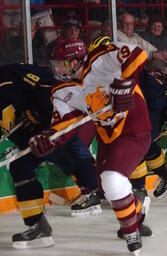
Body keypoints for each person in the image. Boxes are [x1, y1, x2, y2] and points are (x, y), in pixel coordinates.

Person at [28, 36, 152, 255]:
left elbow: (136, 53)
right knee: (107, 189)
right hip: (108, 138)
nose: (57, 68)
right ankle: (138, 212)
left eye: (60, 62)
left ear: (74, 59)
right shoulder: (61, 90)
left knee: (112, 180)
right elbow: (64, 125)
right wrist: (49, 139)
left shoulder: (100, 59)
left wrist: (126, 83)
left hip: (134, 127)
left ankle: (131, 234)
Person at [0, 58, 101, 248]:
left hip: (52, 129)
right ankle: (125, 204)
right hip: (34, 141)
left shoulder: (8, 74)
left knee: (26, 166)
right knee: (29, 167)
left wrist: (39, 112)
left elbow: (48, 80)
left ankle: (126, 203)